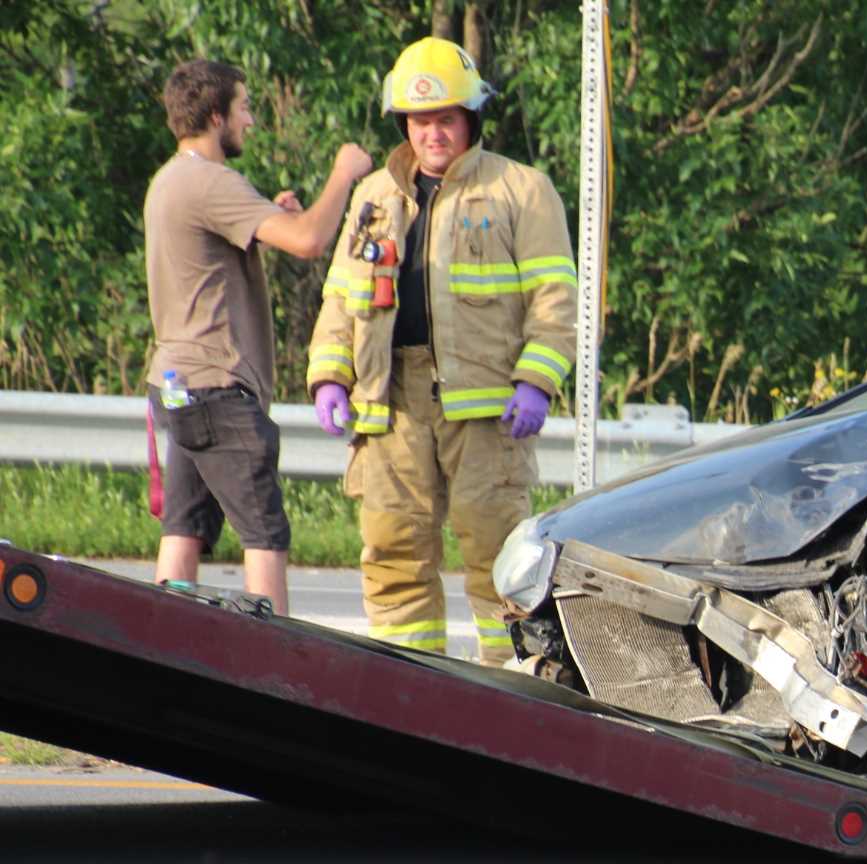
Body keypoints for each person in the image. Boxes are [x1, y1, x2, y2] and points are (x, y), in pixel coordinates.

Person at [306, 36, 577, 665]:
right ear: (405, 123)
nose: (433, 134)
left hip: (487, 412)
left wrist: (537, 380)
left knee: (500, 560)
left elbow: (554, 299)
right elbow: (341, 298)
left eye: (446, 119)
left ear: (470, 119)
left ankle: (509, 694)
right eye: (422, 121)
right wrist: (328, 376)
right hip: (391, 404)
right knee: (393, 555)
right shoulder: (373, 195)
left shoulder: (521, 189)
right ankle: (408, 695)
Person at [145, 58, 373, 616]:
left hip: (176, 384)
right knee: (264, 531)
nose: (250, 120)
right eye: (244, 107)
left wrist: (271, 216)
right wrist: (344, 174)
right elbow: (310, 240)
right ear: (216, 115)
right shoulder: (210, 180)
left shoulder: (171, 180)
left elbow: (229, 246)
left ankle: (160, 643)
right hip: (217, 389)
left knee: (185, 526)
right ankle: (271, 671)